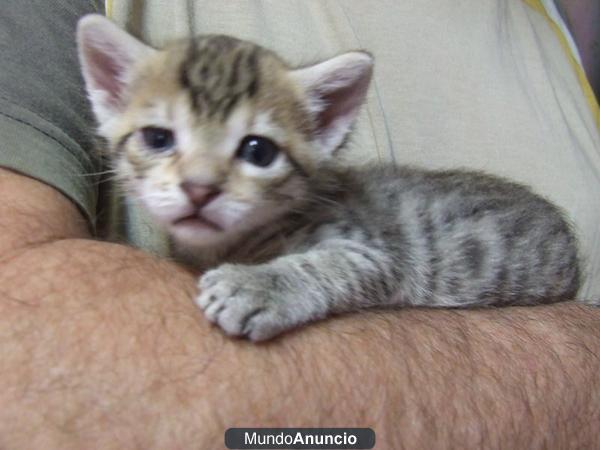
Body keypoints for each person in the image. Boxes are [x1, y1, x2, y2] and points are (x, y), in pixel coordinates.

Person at [0, 1, 598, 448]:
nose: (199, 182)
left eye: (256, 150)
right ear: (109, 94)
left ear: (325, 126)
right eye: (160, 139)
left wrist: (286, 285)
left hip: (519, 250)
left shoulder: (539, 26)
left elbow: (370, 262)